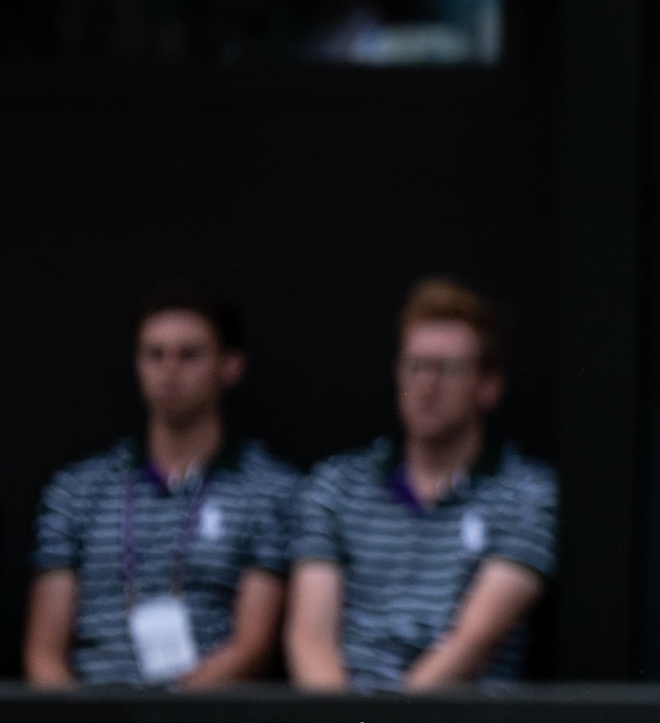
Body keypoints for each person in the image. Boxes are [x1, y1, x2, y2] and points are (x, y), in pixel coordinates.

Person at [285, 278, 555, 691]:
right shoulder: (335, 486)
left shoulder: (529, 495)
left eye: (446, 369)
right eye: (415, 365)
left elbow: (471, 644)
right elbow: (310, 635)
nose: (427, 384)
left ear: (489, 386)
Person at [23, 284, 300, 687]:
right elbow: (43, 652)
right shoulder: (75, 491)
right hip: (88, 712)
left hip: (205, 713)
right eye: (154, 354)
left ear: (231, 365)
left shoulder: (273, 492)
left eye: (189, 355)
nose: (169, 369)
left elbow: (253, 646)